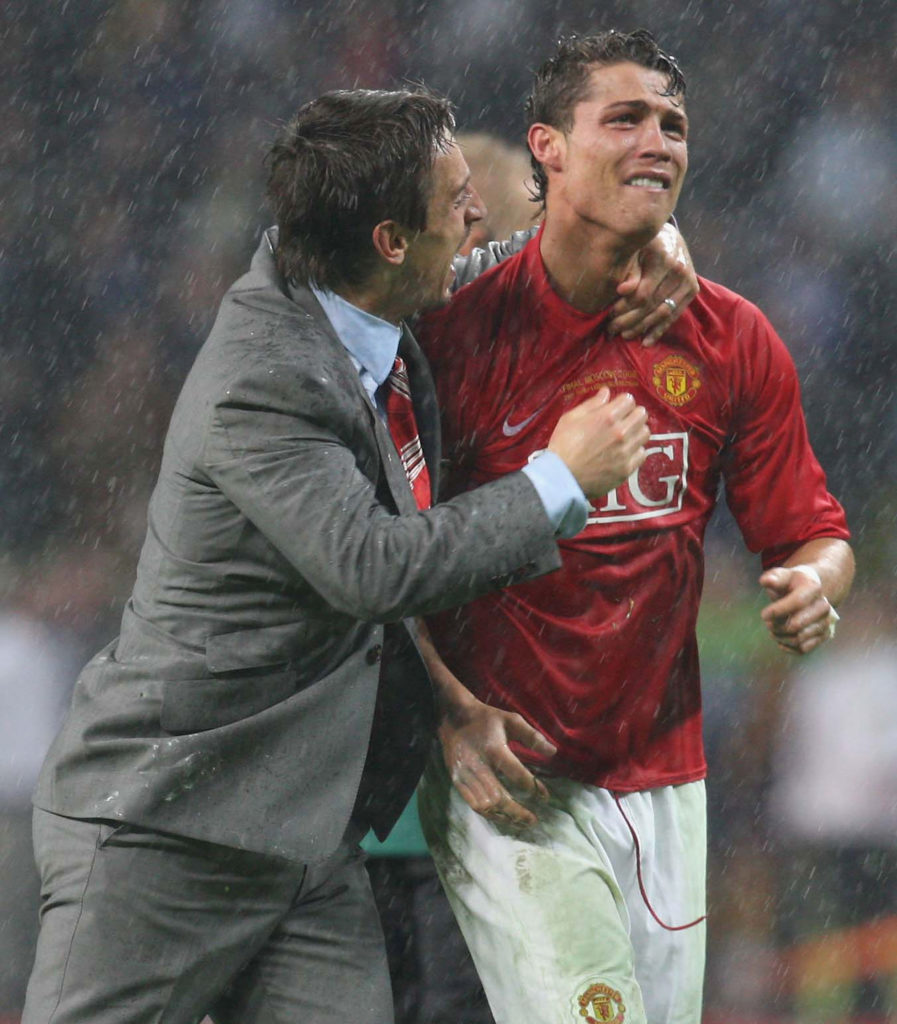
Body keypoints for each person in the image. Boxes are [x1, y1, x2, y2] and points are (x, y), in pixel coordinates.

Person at [22, 87, 694, 1024]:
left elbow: (515, 267)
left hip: (307, 843)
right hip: (169, 831)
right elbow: (370, 567)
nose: (479, 216)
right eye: (458, 200)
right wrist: (559, 480)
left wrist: (645, 242)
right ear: (388, 239)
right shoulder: (266, 378)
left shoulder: (363, 299)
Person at [414, 30, 855, 1024]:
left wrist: (818, 581)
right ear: (549, 148)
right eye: (624, 117)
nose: (657, 139)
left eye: (673, 123)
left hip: (666, 781)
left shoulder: (733, 339)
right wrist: (445, 706)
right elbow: (387, 554)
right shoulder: (453, 335)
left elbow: (813, 532)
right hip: (510, 773)